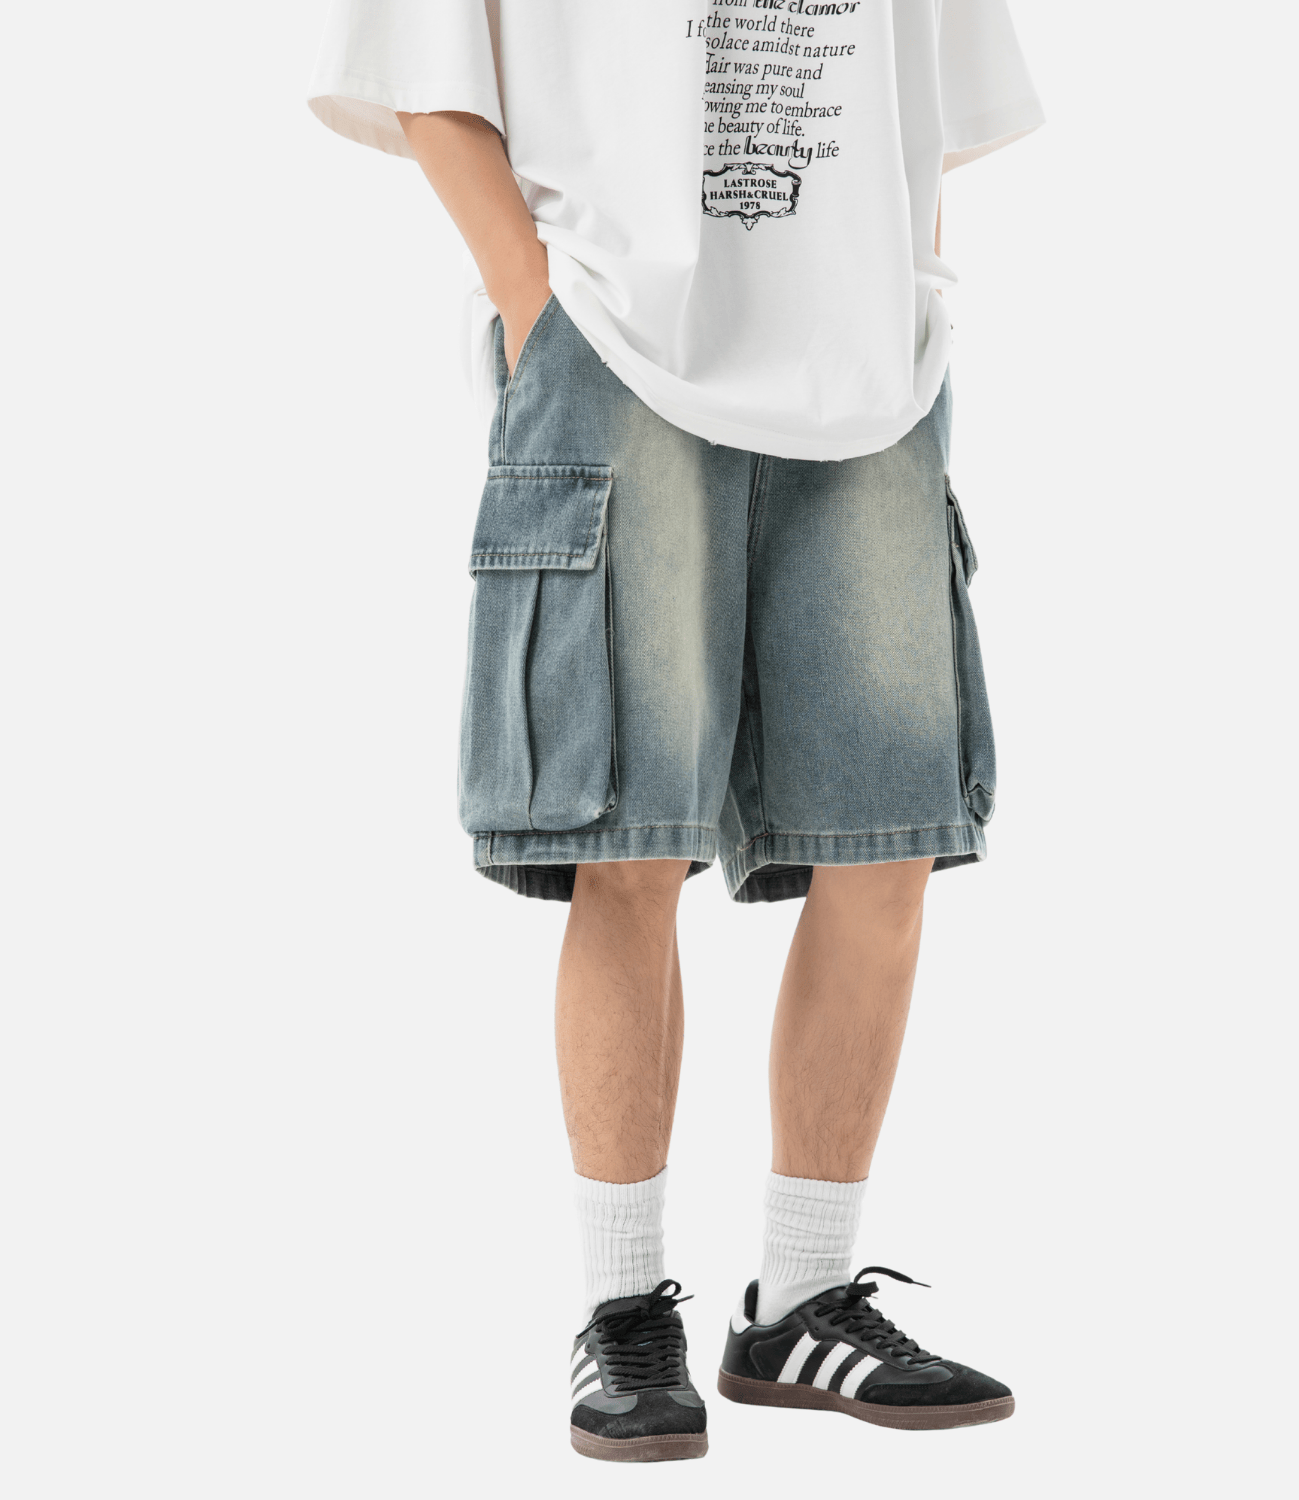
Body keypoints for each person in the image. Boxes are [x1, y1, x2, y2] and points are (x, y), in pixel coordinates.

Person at [308, 0, 1042, 1464]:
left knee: (887, 846)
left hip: (872, 378)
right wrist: (538, 306)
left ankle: (803, 1303)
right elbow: (419, 73)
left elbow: (930, 99)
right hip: (615, 346)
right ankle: (623, 1308)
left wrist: (905, 293)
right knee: (627, 845)